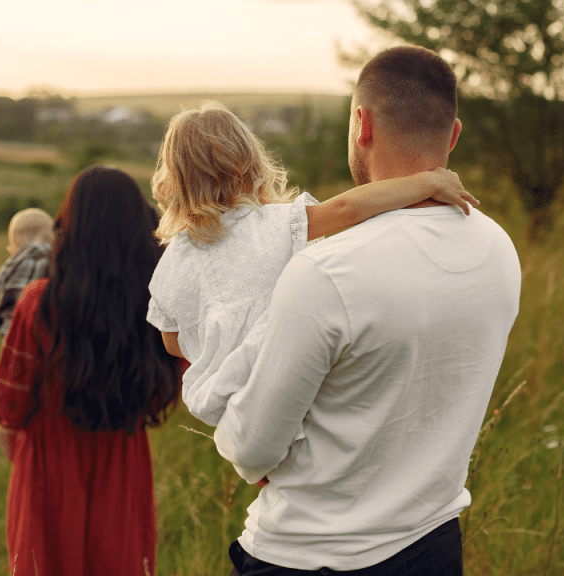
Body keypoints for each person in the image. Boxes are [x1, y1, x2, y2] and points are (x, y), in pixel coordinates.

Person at [214, 46, 523, 575]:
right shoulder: (498, 248)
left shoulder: (326, 271)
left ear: (363, 124)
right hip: (434, 547)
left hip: (309, 556)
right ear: (453, 135)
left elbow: (251, 450)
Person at [146, 100, 478, 426]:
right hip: (297, 391)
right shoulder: (275, 224)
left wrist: (223, 340)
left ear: (175, 177)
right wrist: (427, 182)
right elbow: (348, 208)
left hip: (230, 406)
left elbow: (172, 341)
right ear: (247, 162)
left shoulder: (175, 258)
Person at [0, 166, 184, 576]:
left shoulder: (38, 302)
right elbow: (176, 377)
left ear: (70, 227)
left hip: (48, 461)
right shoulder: (155, 305)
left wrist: (19, 445)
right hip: (123, 458)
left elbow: (10, 404)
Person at [0, 207, 54, 339]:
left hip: (15, 347)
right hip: (52, 345)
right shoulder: (63, 263)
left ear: (12, 250)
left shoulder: (8, 269)